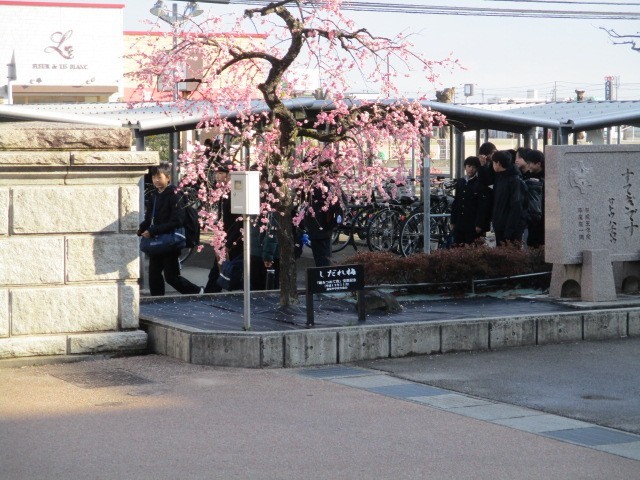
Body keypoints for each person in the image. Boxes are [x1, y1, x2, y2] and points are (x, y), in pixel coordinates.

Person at [137, 162, 202, 296]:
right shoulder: (154, 195)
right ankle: (157, 300)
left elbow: (177, 220)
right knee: (154, 274)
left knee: (171, 276)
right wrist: (141, 229)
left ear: (168, 178)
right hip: (157, 240)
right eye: (154, 177)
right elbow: (149, 218)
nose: (156, 180)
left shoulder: (175, 195)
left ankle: (196, 291)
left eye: (159, 177)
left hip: (171, 241)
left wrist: (153, 231)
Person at [203, 160, 243, 293]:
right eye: (217, 173)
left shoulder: (234, 193)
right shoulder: (223, 192)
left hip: (234, 238)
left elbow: (238, 221)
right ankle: (211, 293)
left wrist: (228, 242)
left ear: (229, 175)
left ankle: (211, 293)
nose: (217, 176)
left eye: (221, 173)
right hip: (225, 237)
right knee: (220, 270)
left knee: (226, 270)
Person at [450, 156, 490, 245]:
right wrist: (453, 221)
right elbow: (456, 202)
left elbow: (482, 205)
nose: (471, 169)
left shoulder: (479, 183)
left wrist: (479, 224)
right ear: (465, 167)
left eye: (474, 167)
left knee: (472, 247)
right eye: (469, 166)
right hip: (459, 221)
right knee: (458, 246)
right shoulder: (460, 182)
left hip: (472, 222)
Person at [491, 150, 525, 246]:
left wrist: (509, 229)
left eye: (493, 162)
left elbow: (516, 205)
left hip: (509, 227)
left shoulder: (514, 179)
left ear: (498, 163)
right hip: (500, 225)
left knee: (510, 251)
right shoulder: (500, 177)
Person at [304, 184, 341, 267]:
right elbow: (339, 204)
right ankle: (324, 271)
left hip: (316, 224)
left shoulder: (311, 183)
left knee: (319, 257)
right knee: (325, 258)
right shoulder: (329, 184)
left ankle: (322, 271)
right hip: (323, 225)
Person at [523, 149, 545, 247]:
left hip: (542, 220)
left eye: (529, 163)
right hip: (532, 220)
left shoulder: (546, 179)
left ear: (538, 164)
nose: (528, 166)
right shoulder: (528, 176)